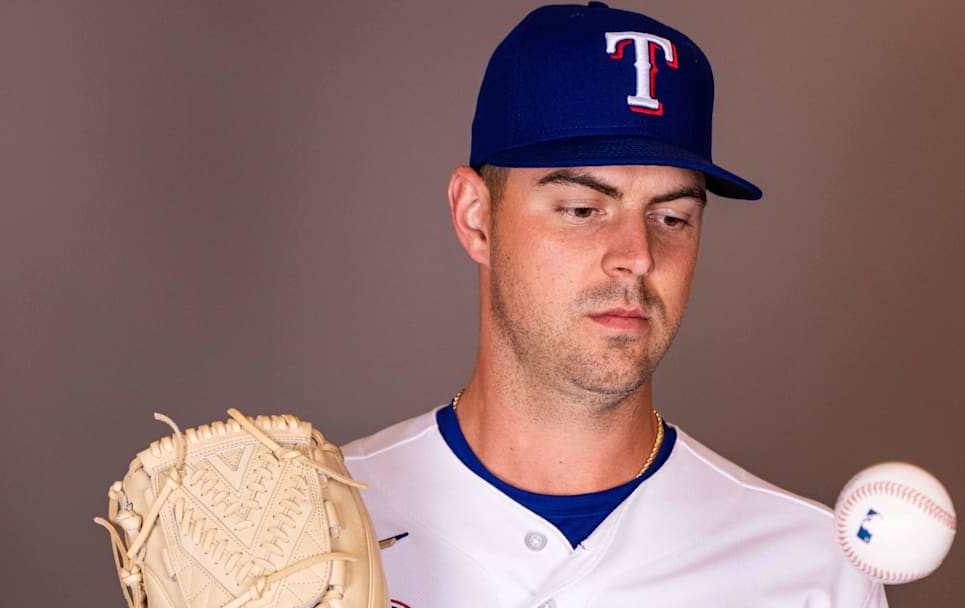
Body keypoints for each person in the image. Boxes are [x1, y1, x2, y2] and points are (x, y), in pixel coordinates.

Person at [342, 3, 889, 606]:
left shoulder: (809, 569)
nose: (637, 255)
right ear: (476, 219)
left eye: (672, 216)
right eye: (583, 209)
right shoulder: (321, 521)